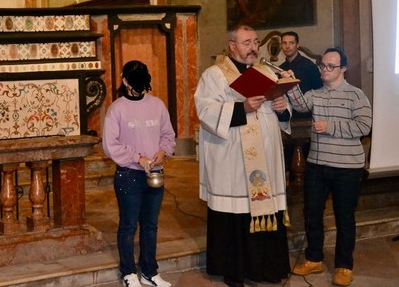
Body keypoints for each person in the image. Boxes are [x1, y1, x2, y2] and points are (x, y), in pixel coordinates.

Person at [194, 25, 291, 287]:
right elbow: (205, 111)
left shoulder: (267, 71)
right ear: (232, 45)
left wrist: (282, 107)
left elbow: (281, 113)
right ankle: (234, 271)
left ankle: (266, 268)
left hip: (265, 158)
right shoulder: (214, 75)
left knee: (262, 210)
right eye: (247, 42)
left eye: (255, 42)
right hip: (232, 160)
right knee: (236, 214)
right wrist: (243, 107)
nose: (253, 47)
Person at [284, 47, 372, 287]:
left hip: (347, 168)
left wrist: (330, 126)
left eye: (331, 66)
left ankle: (344, 266)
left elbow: (364, 126)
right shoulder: (316, 94)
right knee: (312, 213)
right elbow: (301, 105)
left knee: (344, 217)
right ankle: (314, 258)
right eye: (322, 66)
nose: (325, 70)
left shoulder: (356, 95)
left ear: (343, 68)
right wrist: (290, 84)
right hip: (317, 165)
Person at [102, 60, 176, 287]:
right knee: (128, 225)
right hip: (129, 175)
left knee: (150, 225)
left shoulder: (157, 104)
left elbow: (168, 134)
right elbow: (109, 145)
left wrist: (164, 150)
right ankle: (128, 272)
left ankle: (149, 271)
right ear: (124, 81)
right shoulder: (117, 108)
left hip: (155, 174)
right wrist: (138, 158)